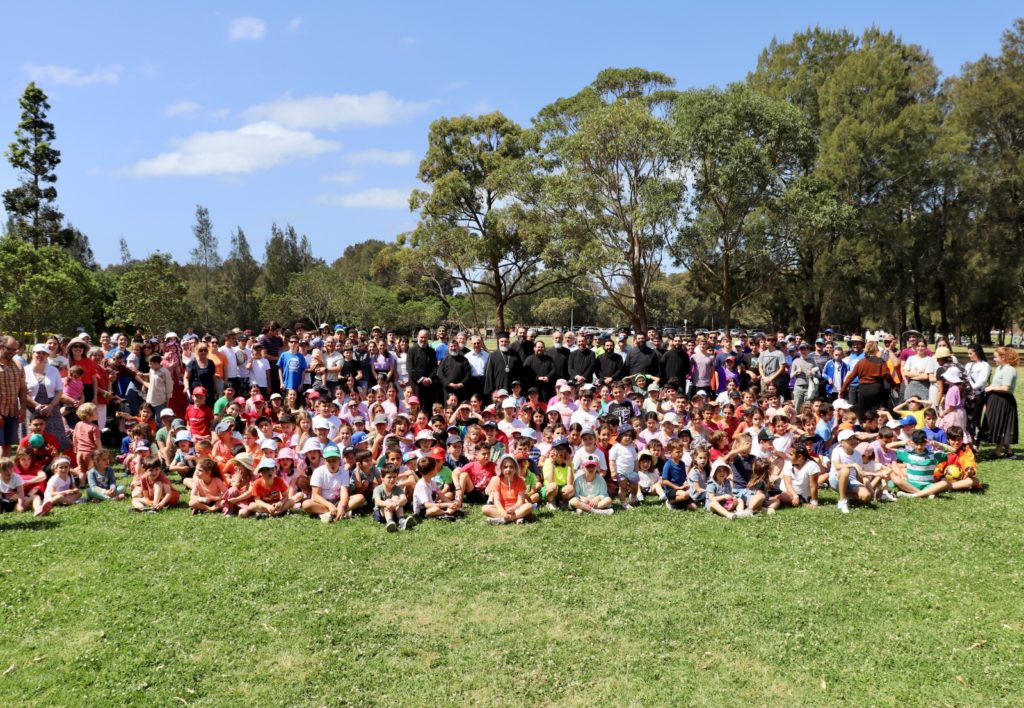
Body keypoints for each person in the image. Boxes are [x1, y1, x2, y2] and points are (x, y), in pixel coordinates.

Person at [840, 340, 895, 422]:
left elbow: (850, 377)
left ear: (866, 349)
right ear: (876, 349)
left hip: (863, 390)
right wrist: (894, 385)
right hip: (876, 390)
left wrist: (842, 391)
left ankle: (863, 427)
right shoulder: (881, 361)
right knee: (875, 413)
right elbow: (887, 375)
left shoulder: (861, 362)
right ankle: (874, 429)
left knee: (862, 413)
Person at [980, 346, 1018, 458]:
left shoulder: (1009, 369)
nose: (994, 359)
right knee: (999, 425)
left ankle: (997, 452)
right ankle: (1009, 452)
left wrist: (991, 388)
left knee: (1001, 425)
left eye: (996, 357)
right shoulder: (1000, 368)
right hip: (996, 400)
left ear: (1003, 357)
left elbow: (1006, 388)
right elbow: (996, 384)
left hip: (1004, 401)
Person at [829, 429, 873, 514]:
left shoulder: (857, 454)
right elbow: (837, 466)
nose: (853, 440)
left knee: (866, 496)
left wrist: (863, 486)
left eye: (853, 438)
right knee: (845, 471)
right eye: (849, 439)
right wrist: (853, 465)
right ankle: (842, 501)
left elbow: (859, 474)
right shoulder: (837, 450)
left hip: (852, 480)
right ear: (841, 443)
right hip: (836, 479)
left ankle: (849, 496)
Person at [482, 454, 534, 525]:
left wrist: (514, 508)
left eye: (511, 467)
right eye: (505, 467)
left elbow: (520, 501)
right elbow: (496, 500)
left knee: (529, 506)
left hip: (517, 509)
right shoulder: (497, 480)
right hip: (502, 508)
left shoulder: (520, 480)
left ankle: (504, 520)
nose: (508, 469)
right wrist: (502, 512)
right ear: (501, 469)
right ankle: (515, 518)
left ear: (515, 468)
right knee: (485, 508)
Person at [372, 464, 414, 532]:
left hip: (395, 511)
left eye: (394, 477)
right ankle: (389, 522)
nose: (392, 479)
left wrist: (396, 503)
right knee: (388, 501)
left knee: (396, 498)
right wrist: (387, 503)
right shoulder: (378, 489)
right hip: (380, 514)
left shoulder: (398, 488)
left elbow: (404, 499)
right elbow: (378, 501)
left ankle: (401, 520)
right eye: (389, 477)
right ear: (382, 478)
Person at [407, 329, 440, 412]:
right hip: (416, 385)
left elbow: (435, 368)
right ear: (418, 337)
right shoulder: (412, 350)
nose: (423, 340)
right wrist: (422, 379)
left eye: (425, 338)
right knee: (417, 408)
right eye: (421, 337)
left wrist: (429, 379)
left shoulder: (431, 351)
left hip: (429, 385)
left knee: (428, 408)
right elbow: (410, 369)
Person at [483, 332, 522, 398]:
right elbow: (489, 373)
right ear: (499, 342)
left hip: (513, 387)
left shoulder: (515, 354)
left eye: (506, 341)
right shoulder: (493, 355)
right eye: (502, 341)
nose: (504, 343)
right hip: (498, 387)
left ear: (509, 342)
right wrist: (491, 390)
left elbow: (520, 371)